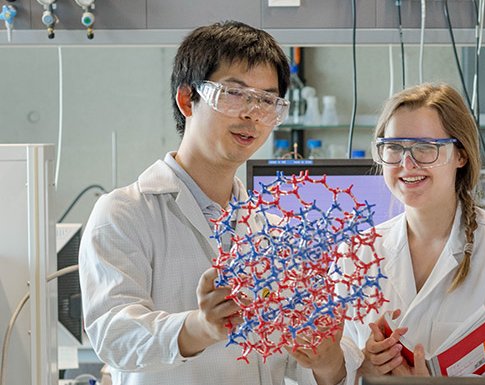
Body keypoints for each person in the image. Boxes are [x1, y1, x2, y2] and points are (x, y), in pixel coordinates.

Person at [79, 21, 347, 385]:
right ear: (187, 99)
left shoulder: (274, 230)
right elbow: (114, 336)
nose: (252, 113)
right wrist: (201, 327)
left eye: (267, 100)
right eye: (234, 94)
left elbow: (292, 364)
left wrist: (328, 362)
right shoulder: (124, 213)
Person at [339, 83, 485, 379]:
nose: (407, 163)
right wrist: (363, 363)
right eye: (394, 147)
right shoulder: (357, 252)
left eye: (425, 148)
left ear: (461, 155)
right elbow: (333, 363)